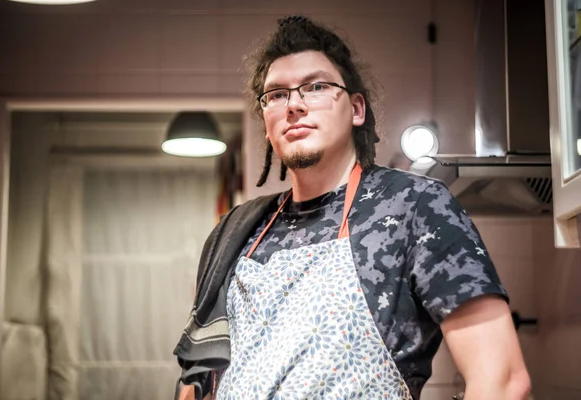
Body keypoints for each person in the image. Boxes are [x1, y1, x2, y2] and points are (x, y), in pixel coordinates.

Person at [173, 15, 531, 400]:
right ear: (266, 122)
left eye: (316, 87)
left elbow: (503, 381)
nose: (294, 104)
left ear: (357, 109)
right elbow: (199, 384)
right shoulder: (236, 234)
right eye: (276, 94)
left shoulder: (413, 206)